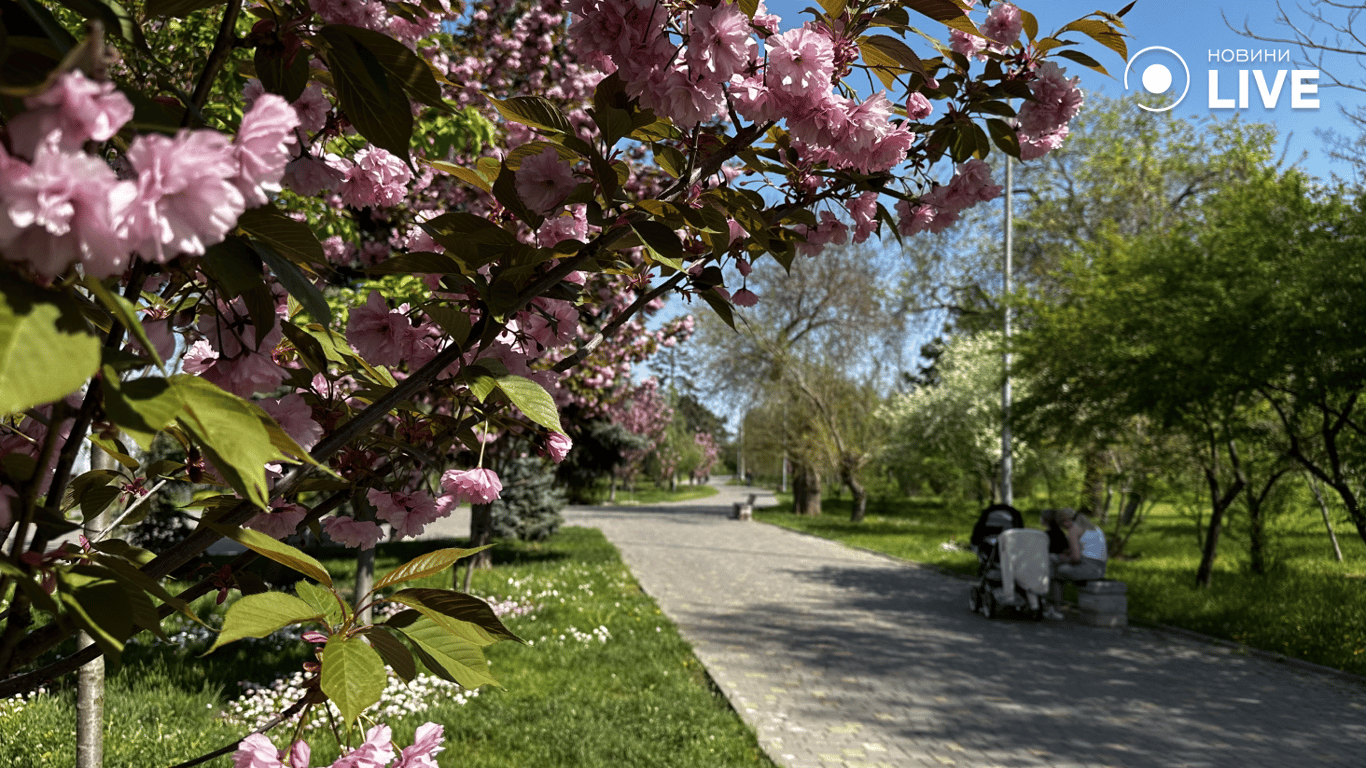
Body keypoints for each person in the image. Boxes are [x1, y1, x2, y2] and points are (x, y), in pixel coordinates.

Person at [1039, 507, 1107, 620]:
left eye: (1062, 524)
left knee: (1056, 571)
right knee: (1056, 565)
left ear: (1065, 521)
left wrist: (1064, 558)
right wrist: (1067, 554)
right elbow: (1085, 549)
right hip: (1100, 568)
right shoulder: (1094, 527)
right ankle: (1055, 606)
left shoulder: (1073, 530)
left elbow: (1075, 558)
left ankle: (1054, 607)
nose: (1064, 527)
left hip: (1089, 569)